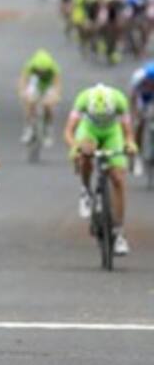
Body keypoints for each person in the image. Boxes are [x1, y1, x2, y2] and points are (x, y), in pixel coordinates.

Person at [63, 83, 136, 255]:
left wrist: (130, 144)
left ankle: (119, 233)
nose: (102, 118)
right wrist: (75, 147)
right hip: (89, 130)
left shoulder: (119, 100)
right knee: (86, 152)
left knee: (118, 178)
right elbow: (68, 131)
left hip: (112, 132)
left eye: (106, 115)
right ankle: (86, 189)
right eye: (98, 116)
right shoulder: (83, 99)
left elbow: (128, 132)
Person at [19, 49, 61, 147]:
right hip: (35, 84)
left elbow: (57, 85)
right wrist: (23, 92)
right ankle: (29, 127)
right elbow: (23, 80)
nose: (41, 73)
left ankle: (48, 130)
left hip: (48, 86)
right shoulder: (30, 65)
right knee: (29, 102)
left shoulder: (54, 68)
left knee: (48, 106)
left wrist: (55, 97)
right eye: (39, 71)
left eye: (44, 71)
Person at [129, 61, 154, 175]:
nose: (151, 83)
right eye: (149, 81)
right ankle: (136, 156)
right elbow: (133, 98)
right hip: (142, 97)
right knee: (139, 124)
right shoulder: (138, 78)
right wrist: (135, 115)